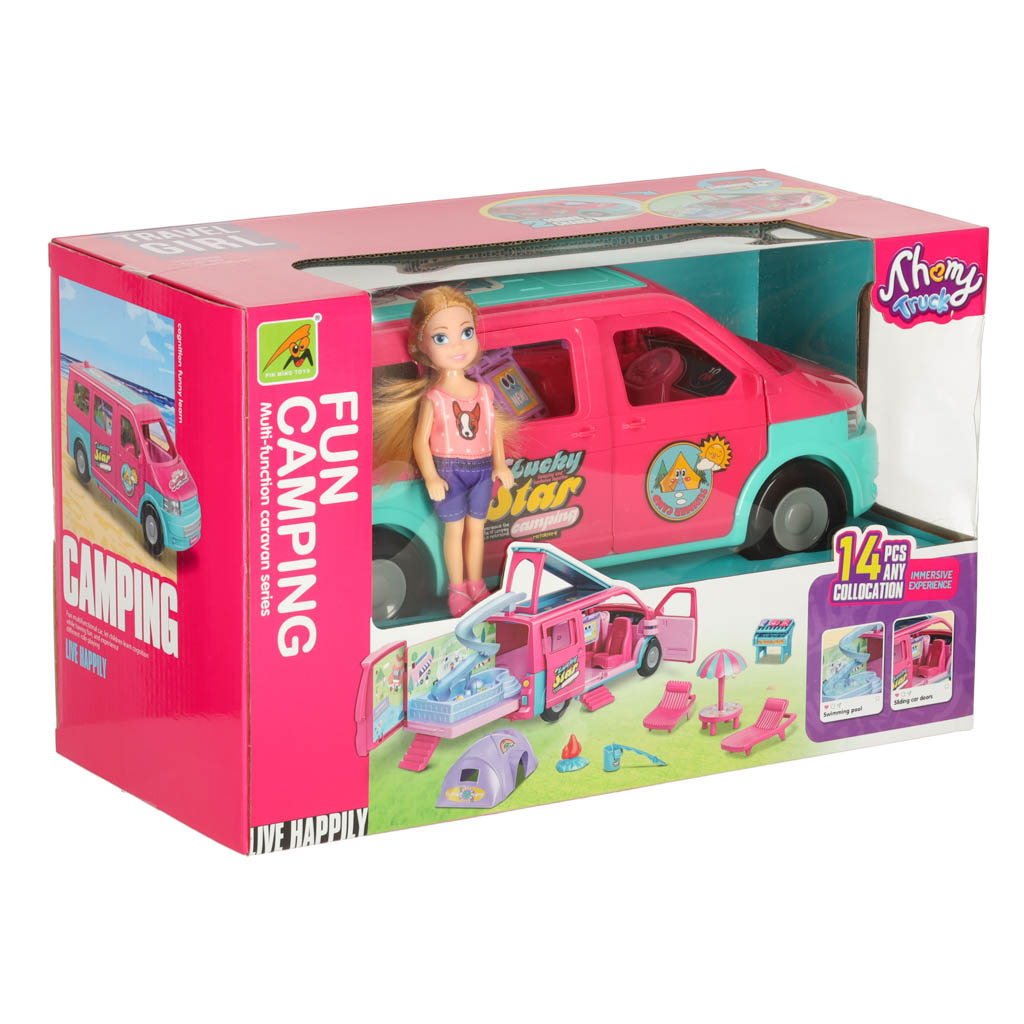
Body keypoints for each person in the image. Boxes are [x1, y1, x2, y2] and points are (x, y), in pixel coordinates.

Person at [374, 286, 515, 616]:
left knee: (477, 529)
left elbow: (492, 430)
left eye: (466, 333)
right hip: (449, 469)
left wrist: (500, 464)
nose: (457, 345)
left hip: (482, 468)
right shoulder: (434, 398)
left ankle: (476, 584)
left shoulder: (483, 391)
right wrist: (431, 476)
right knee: (454, 530)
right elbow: (420, 442)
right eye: (441, 338)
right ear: (421, 346)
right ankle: (457, 588)